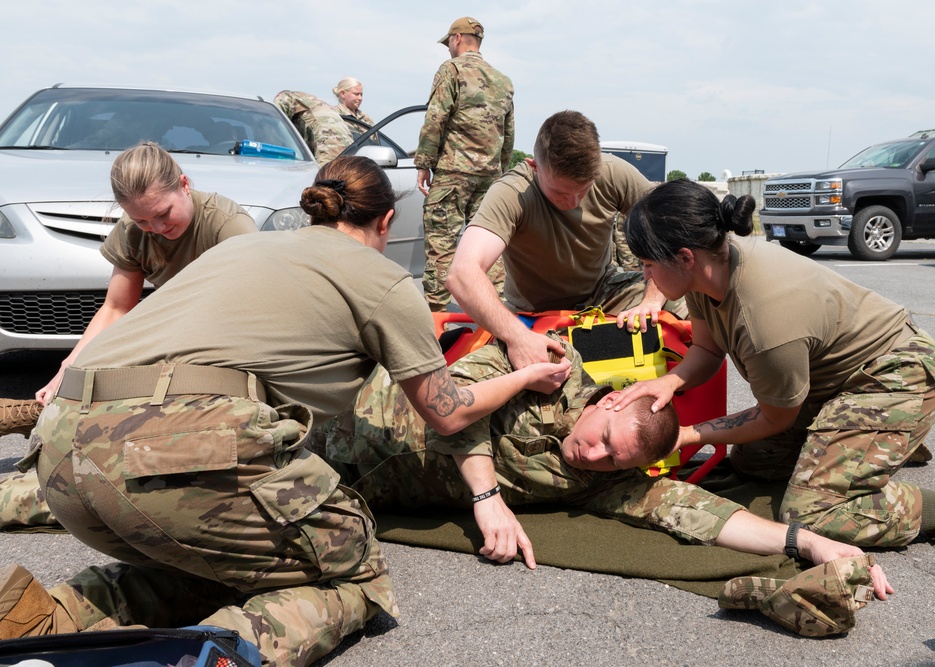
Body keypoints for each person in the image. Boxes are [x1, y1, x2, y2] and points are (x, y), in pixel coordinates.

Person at [0, 156, 570, 666]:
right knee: (351, 568)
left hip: (57, 452)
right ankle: (201, 660)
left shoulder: (244, 246)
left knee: (210, 561)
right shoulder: (383, 279)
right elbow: (447, 412)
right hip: (168, 448)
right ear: (386, 222)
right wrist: (526, 373)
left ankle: (42, 623)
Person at [318, 340, 892, 602]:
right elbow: (455, 402)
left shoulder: (607, 478)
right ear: (607, 404)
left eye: (614, 460)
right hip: (331, 417)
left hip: (344, 489)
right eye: (603, 441)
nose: (590, 457)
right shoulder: (545, 369)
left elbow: (698, 512)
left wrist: (806, 540)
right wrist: (486, 494)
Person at [608, 177, 935, 548]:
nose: (646, 276)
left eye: (647, 264)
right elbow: (708, 351)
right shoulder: (707, 269)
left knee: (814, 513)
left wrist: (690, 435)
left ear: (684, 257)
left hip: (896, 374)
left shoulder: (764, 320)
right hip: (831, 382)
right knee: (756, 464)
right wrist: (670, 382)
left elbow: (773, 418)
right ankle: (869, 438)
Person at [0, 141, 257, 528]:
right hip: (171, 327)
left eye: (163, 214)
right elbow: (117, 308)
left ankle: (55, 420)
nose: (155, 228)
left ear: (184, 185)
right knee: (102, 372)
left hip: (223, 332)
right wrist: (66, 371)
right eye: (141, 221)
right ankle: (49, 410)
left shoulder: (229, 226)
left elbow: (247, 312)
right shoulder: (135, 230)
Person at [446, 110, 685, 372]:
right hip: (534, 312)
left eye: (583, 190)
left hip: (604, 293)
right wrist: (517, 337)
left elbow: (671, 226)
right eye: (560, 193)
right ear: (535, 167)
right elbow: (462, 274)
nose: (572, 202)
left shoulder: (613, 173)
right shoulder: (512, 192)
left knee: (684, 296)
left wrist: (651, 299)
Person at [414, 16, 513, 311]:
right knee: (488, 246)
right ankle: (499, 314)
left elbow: (435, 118)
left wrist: (423, 163)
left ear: (457, 39)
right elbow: (507, 135)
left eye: (448, 43)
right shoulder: (503, 81)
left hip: (453, 173)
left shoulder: (452, 70)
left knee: (441, 246)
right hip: (489, 176)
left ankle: (436, 318)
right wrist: (500, 172)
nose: (447, 49)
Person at [273, 90, 354, 164]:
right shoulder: (314, 104)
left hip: (328, 143)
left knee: (324, 177)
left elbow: (275, 121)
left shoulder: (285, 97)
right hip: (348, 148)